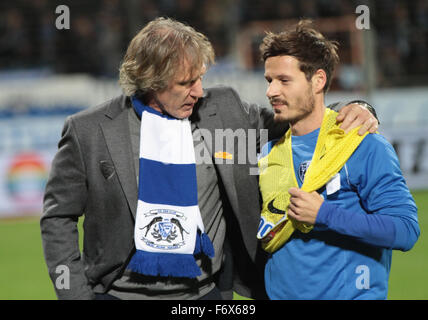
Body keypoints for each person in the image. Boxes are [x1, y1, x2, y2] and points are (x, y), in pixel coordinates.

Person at [40, 17, 378, 300]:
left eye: (200, 78)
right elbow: (58, 218)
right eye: (186, 83)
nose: (199, 91)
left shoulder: (223, 109)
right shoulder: (89, 130)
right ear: (150, 79)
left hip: (207, 295)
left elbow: (296, 115)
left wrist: (354, 108)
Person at [257, 20, 419, 300]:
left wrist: (324, 215)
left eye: (284, 80)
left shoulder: (362, 144)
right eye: (269, 81)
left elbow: (405, 230)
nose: (271, 91)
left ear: (318, 80)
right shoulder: (267, 152)